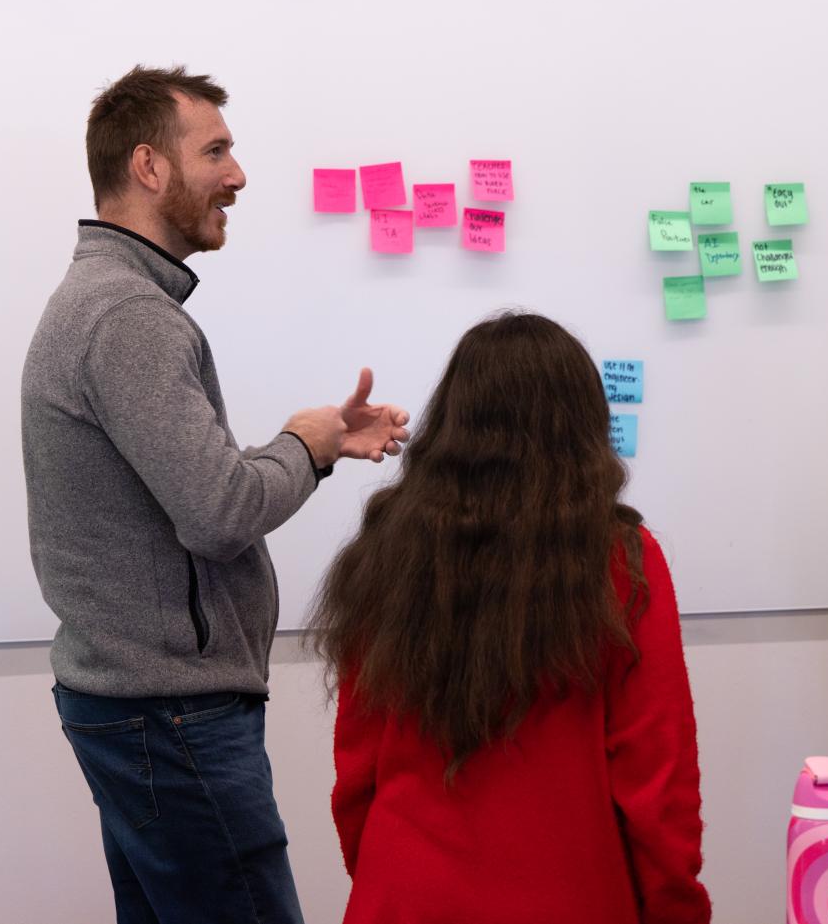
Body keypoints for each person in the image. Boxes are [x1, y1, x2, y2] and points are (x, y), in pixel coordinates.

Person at [21, 65, 410, 924]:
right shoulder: (128, 316)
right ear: (149, 165)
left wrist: (314, 443)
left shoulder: (109, 303)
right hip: (172, 716)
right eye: (217, 151)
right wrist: (304, 445)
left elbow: (194, 486)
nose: (237, 175)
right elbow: (219, 511)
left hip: (145, 709)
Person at [305, 312, 711, 924]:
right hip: (569, 898)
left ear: (452, 419)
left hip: (405, 892)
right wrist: (676, 908)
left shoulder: (388, 549)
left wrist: (386, 876)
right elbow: (657, 773)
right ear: (583, 423)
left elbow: (357, 767)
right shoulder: (622, 561)